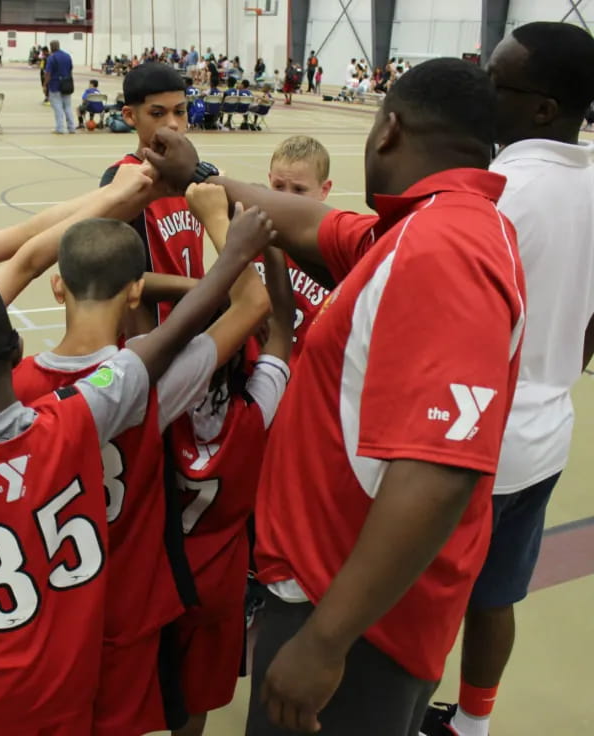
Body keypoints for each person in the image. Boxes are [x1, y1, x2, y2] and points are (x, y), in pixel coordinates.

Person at [143, 57, 527, 736]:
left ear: (388, 130)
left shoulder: (443, 250)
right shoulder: (427, 226)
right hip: (345, 591)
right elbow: (313, 226)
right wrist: (201, 178)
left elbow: (439, 474)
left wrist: (325, 640)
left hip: (353, 615)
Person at [0, 200, 275, 735]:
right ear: (12, 348)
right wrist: (223, 242)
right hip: (108, 621)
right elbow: (219, 321)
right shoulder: (77, 418)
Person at [421, 24, 594, 736]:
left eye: (496, 81)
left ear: (543, 108)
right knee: (497, 596)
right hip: (549, 426)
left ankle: (394, 714)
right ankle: (472, 726)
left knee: (418, 595)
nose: (481, 91)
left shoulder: (499, 194)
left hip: (473, 434)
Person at [167, 185, 294, 736]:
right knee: (196, 698)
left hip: (158, 573)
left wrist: (192, 289)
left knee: (140, 683)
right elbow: (281, 329)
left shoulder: (156, 402)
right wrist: (272, 252)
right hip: (217, 585)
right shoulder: (256, 410)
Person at [100, 63, 206, 326]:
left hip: (195, 325)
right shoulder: (121, 179)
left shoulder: (198, 176)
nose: (172, 123)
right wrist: (203, 289)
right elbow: (119, 278)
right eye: (157, 113)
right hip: (152, 338)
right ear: (129, 116)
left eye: (180, 112)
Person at [265, 135, 333, 359]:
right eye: (278, 186)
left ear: (324, 190)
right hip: (254, 381)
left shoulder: (333, 251)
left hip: (305, 380)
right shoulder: (251, 240)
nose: (286, 199)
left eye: (299, 190)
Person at [44, 40, 76, 135]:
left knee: (58, 107)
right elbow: (71, 69)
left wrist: (45, 84)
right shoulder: (67, 56)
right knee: (68, 106)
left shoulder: (51, 58)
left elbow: (48, 73)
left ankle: (60, 128)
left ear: (51, 47)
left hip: (55, 85)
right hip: (67, 84)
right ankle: (71, 127)